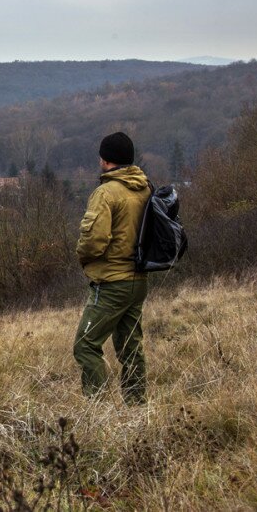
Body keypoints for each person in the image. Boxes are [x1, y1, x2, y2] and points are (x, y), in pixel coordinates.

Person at [73, 131, 151, 404]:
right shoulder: (144, 188)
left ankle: (96, 410)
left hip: (111, 281)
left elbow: (94, 241)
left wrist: (82, 257)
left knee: (85, 345)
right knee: (130, 347)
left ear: (105, 161)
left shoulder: (105, 193)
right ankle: (136, 406)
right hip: (138, 279)